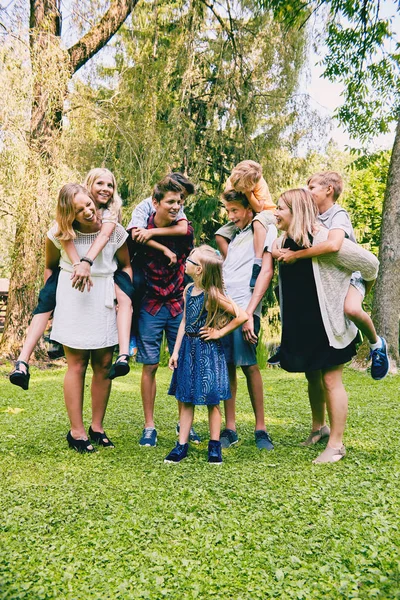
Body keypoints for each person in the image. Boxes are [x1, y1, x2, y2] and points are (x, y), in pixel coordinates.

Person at [272, 188, 379, 463]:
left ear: (297, 212)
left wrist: (354, 295)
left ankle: (336, 445)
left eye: (281, 208)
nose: (276, 213)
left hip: (329, 325)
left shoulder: (322, 239)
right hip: (305, 325)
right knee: (313, 375)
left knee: (331, 379)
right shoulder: (286, 240)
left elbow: (371, 265)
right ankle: (319, 428)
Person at [9, 169, 133, 390]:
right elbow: (64, 235)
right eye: (100, 184)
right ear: (87, 187)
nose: (105, 189)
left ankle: (123, 355)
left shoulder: (110, 213)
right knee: (45, 303)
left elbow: (105, 237)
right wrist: (78, 265)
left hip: (103, 274)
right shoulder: (69, 210)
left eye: (110, 185)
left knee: (125, 301)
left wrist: (85, 262)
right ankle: (22, 361)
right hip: (67, 273)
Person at [277, 171, 389, 381]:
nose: (307, 191)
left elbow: (333, 245)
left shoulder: (338, 214)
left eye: (311, 188)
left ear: (329, 190)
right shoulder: (314, 215)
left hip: (353, 274)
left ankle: (377, 344)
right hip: (336, 276)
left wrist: (297, 255)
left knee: (352, 309)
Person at [45, 183, 132, 452]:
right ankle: (77, 431)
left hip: (104, 296)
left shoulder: (115, 232)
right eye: (79, 209)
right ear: (68, 214)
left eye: (88, 204)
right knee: (77, 363)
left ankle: (97, 427)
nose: (88, 211)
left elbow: (126, 265)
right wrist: (50, 308)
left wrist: (123, 296)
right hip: (73, 298)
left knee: (104, 363)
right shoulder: (59, 234)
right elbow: (50, 267)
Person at [165, 246, 248, 464]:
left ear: (199, 269)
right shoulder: (187, 290)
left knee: (213, 402)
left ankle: (214, 447)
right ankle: (181, 445)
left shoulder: (213, 295)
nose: (186, 262)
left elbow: (242, 315)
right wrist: (175, 352)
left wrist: (219, 332)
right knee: (185, 399)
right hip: (187, 352)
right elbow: (184, 321)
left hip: (209, 352)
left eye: (190, 260)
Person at [133, 176, 194, 447]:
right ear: (154, 202)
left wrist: (154, 236)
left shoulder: (183, 229)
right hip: (151, 305)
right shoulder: (140, 228)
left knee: (182, 363)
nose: (176, 207)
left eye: (179, 202)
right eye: (170, 202)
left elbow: (184, 234)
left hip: (178, 303)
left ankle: (185, 422)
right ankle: (149, 426)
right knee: (150, 365)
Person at [218, 189, 277, 450]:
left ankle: (260, 427)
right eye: (228, 211)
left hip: (245, 308)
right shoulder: (237, 236)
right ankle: (230, 427)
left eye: (235, 211)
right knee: (228, 366)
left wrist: (250, 314)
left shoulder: (259, 230)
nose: (231, 217)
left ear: (250, 210)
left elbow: (269, 213)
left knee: (249, 365)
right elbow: (223, 231)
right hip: (225, 307)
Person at [215, 160, 276, 288]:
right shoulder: (232, 180)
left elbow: (259, 208)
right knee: (220, 235)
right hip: (246, 212)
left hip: (265, 212)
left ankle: (257, 263)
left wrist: (248, 193)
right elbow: (230, 199)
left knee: (258, 223)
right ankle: (230, 264)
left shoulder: (259, 183)